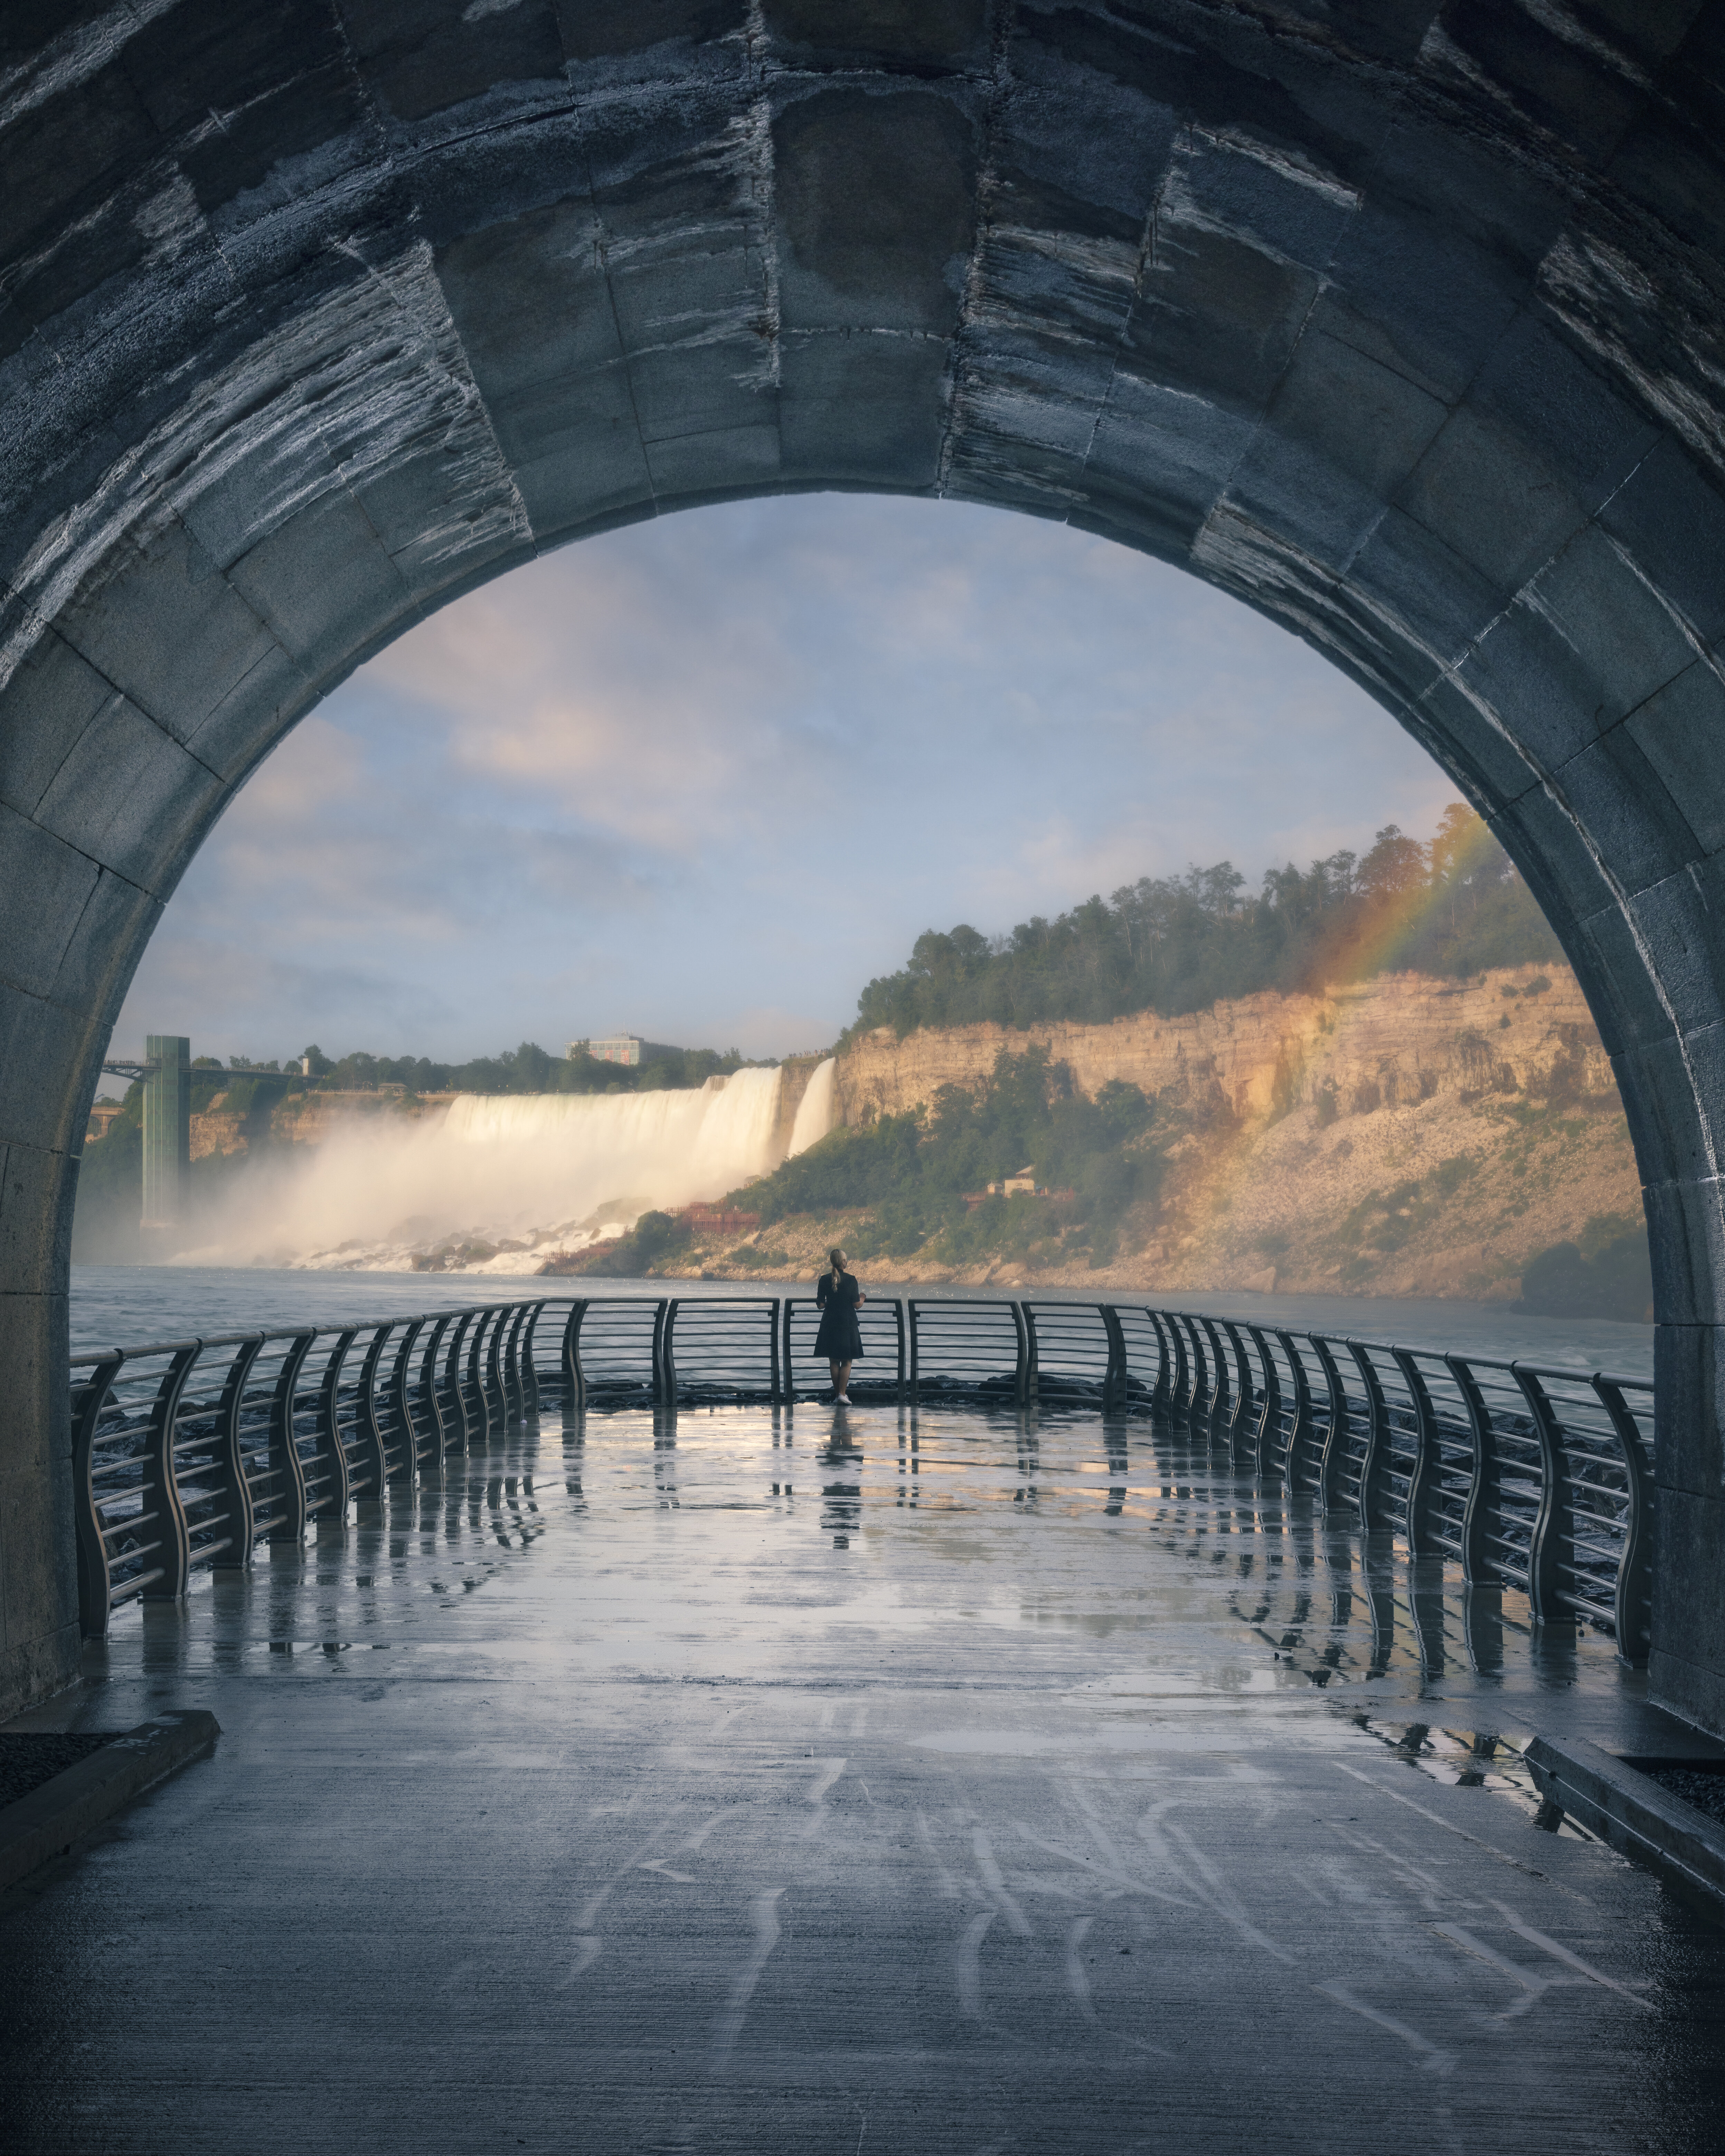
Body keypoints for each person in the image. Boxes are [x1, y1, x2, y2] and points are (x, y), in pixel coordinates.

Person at [813, 1246, 865, 1403]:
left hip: (829, 1323)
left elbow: (821, 1305)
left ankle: (838, 1396)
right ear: (843, 1262)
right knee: (847, 1360)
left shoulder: (824, 1279)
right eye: (846, 1259)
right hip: (848, 1323)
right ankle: (843, 1394)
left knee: (834, 1360)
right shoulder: (851, 1279)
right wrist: (863, 1298)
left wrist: (831, 1301)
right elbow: (857, 1305)